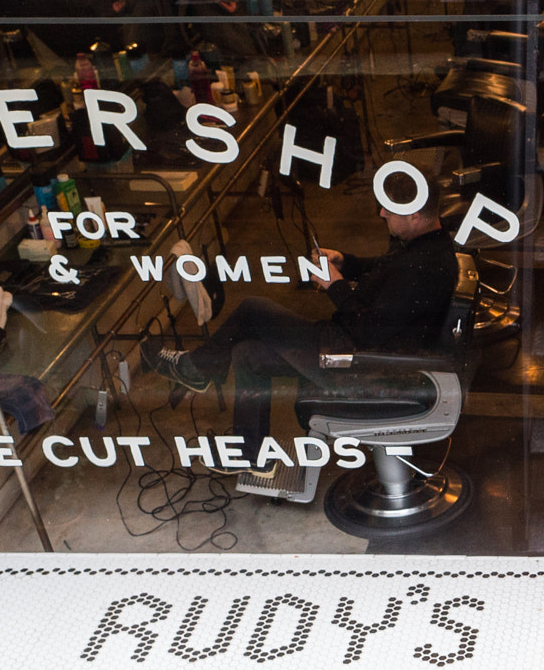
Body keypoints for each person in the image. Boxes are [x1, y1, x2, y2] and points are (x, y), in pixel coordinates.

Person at [154, 175, 459, 469]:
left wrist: (335, 285)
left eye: (389, 211)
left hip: (361, 365)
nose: (381, 213)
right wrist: (346, 262)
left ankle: (196, 368)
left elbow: (367, 331)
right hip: (353, 350)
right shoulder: (425, 246)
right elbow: (386, 269)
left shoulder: (424, 267)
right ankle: (250, 451)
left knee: (252, 308)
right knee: (247, 355)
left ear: (415, 215)